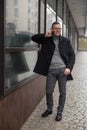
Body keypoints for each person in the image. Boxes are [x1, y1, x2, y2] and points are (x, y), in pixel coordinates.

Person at [31, 22, 75, 121]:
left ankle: (59, 112)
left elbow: (72, 56)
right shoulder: (46, 40)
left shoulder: (65, 41)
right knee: (49, 91)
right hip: (51, 70)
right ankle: (50, 108)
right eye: (56, 28)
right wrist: (45, 35)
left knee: (62, 92)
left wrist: (69, 68)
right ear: (52, 29)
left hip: (62, 70)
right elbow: (33, 38)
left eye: (59, 28)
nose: (58, 30)